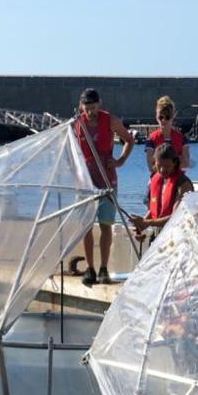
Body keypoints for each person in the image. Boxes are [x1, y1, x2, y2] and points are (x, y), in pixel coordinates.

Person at [74, 88, 134, 285]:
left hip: (107, 179)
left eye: (93, 107)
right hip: (85, 182)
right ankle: (90, 268)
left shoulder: (110, 120)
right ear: (82, 107)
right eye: (87, 108)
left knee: (106, 224)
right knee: (86, 226)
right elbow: (70, 151)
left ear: (99, 104)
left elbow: (129, 140)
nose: (90, 112)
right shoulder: (77, 124)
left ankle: (103, 269)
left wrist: (120, 161)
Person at [131, 143, 193, 241]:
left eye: (167, 166)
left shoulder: (183, 185)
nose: (162, 170)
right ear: (154, 163)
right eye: (159, 165)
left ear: (175, 163)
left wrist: (147, 223)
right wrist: (140, 227)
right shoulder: (155, 180)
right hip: (157, 234)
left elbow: (176, 216)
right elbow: (154, 210)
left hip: (176, 236)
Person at [143, 95, 191, 173]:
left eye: (167, 117)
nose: (163, 120)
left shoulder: (182, 138)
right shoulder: (151, 139)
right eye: (160, 117)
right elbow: (151, 167)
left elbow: (186, 163)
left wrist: (160, 162)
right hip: (158, 177)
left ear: (172, 117)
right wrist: (176, 160)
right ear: (156, 117)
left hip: (177, 178)